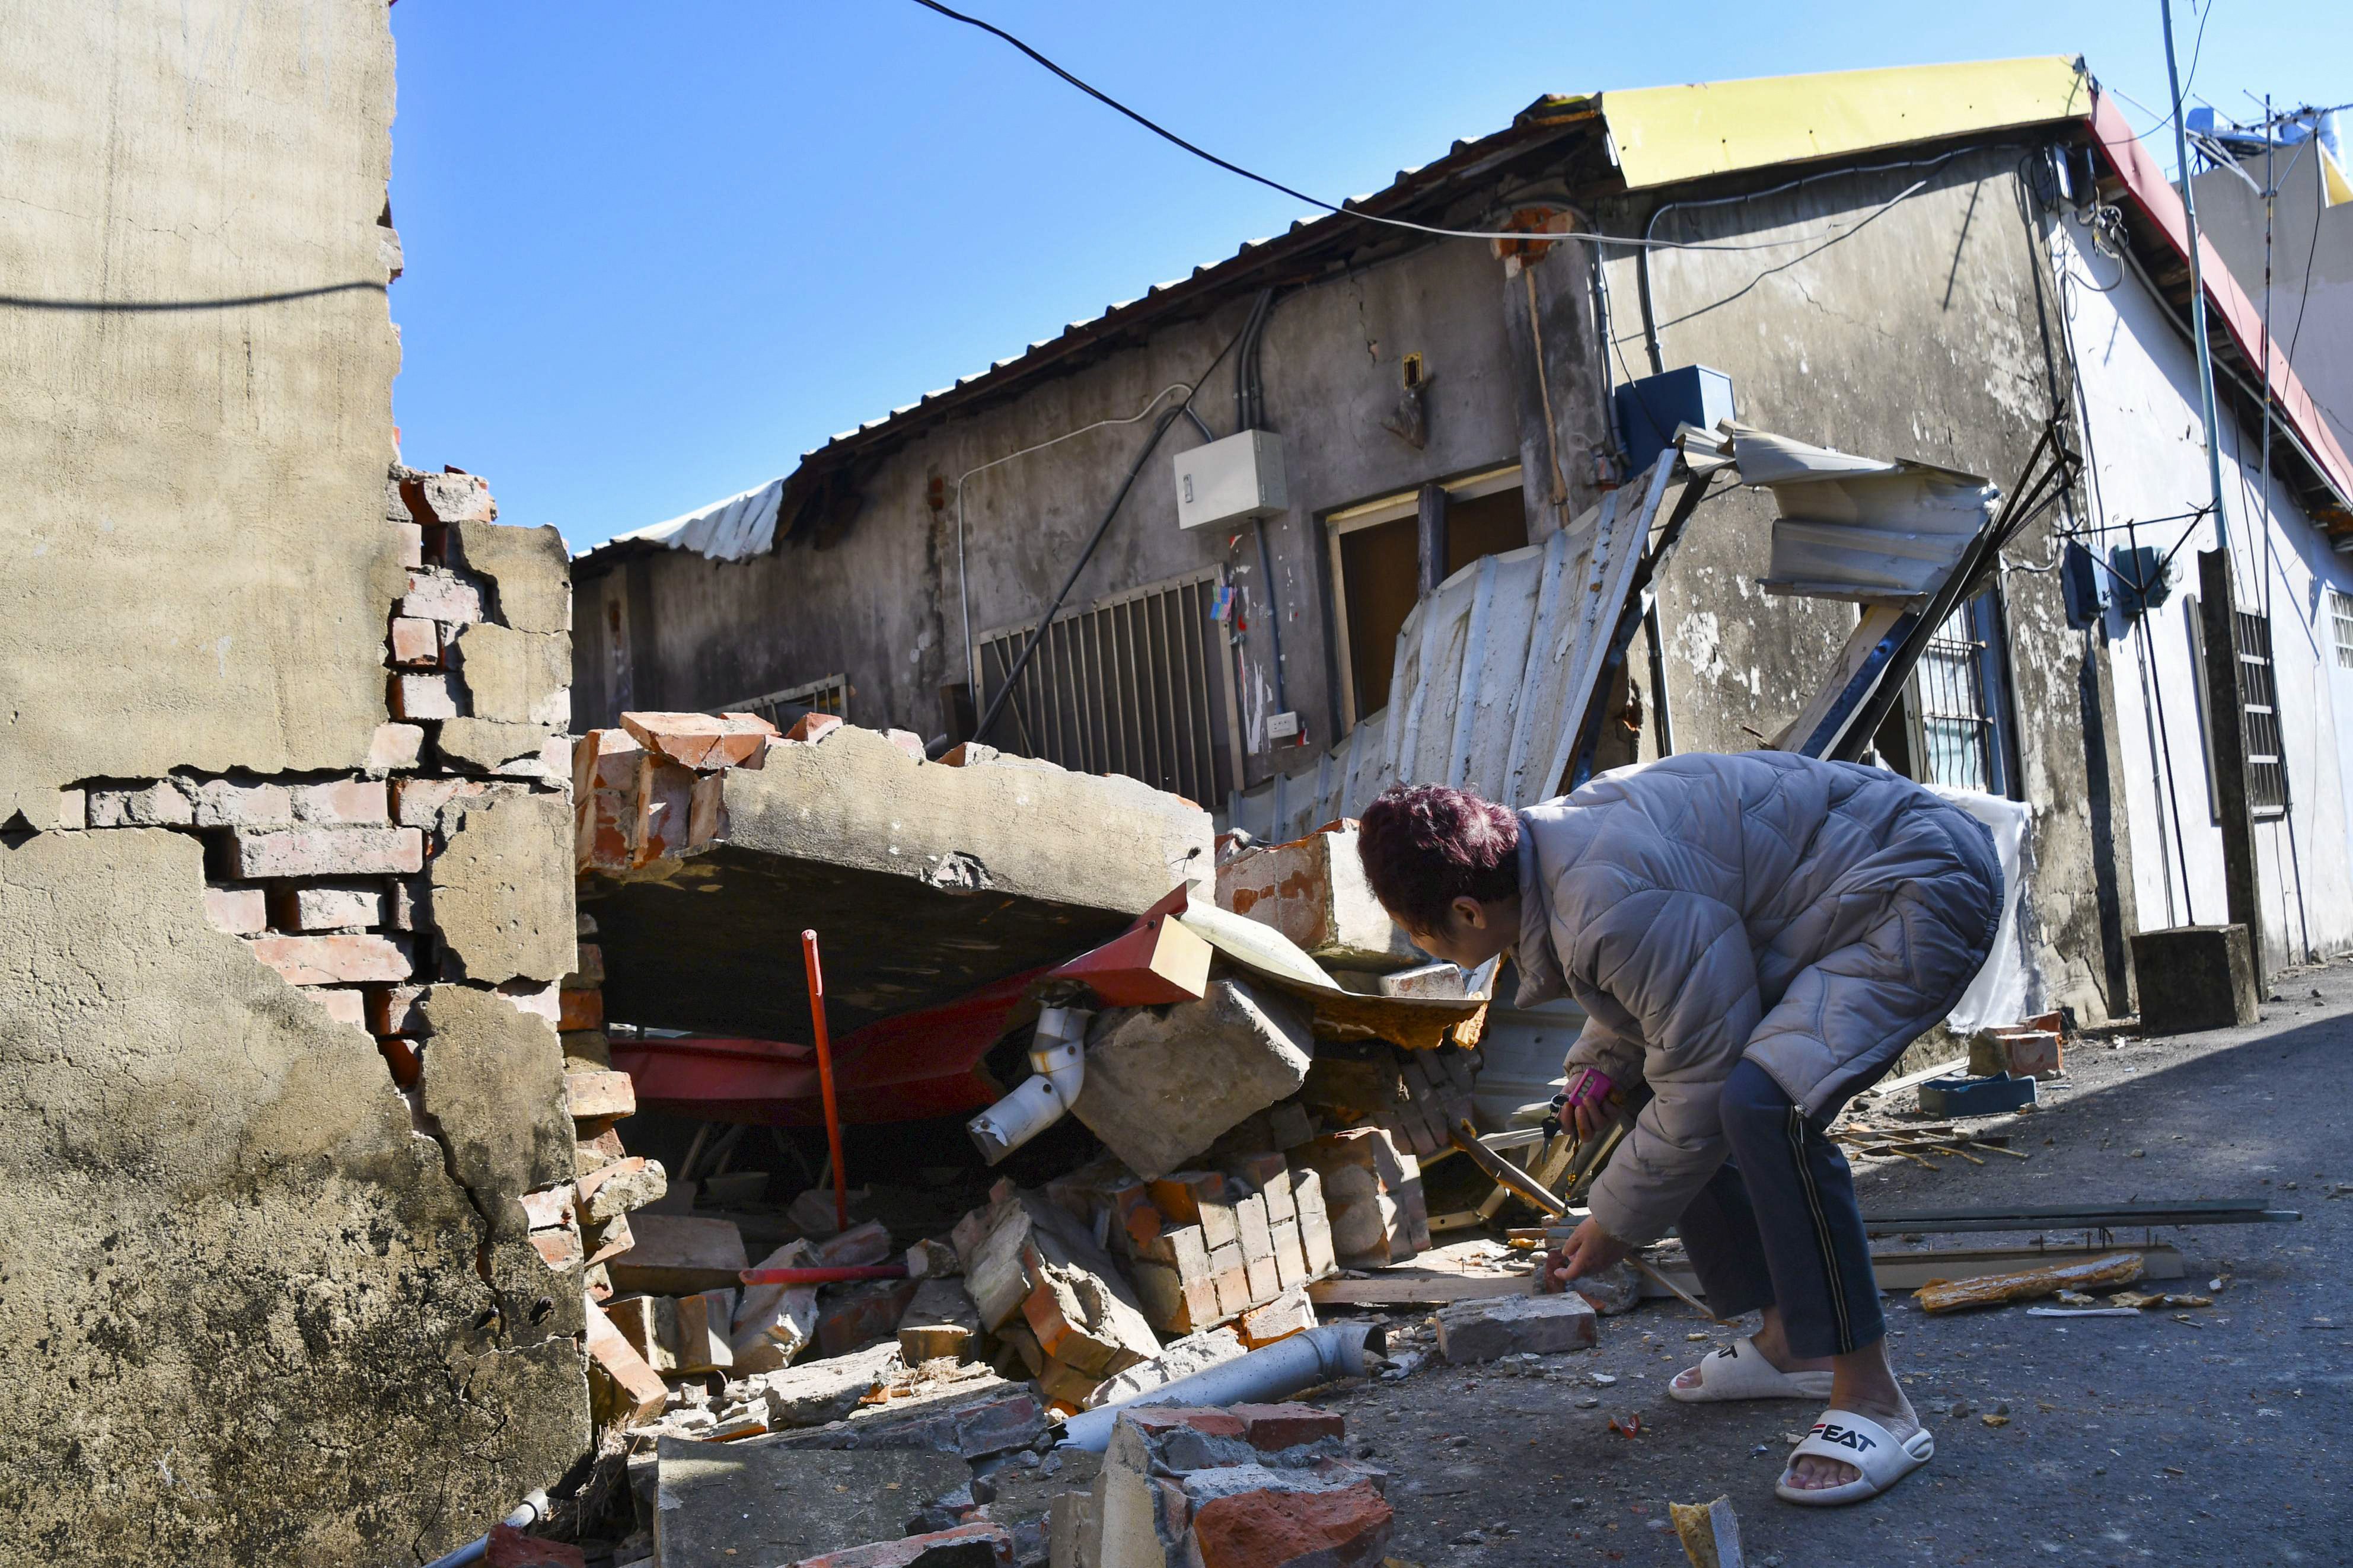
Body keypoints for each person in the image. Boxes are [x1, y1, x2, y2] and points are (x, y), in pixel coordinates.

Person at [1354, 752, 2001, 1506]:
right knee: (1660, 1090)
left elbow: (1700, 1069)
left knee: (1765, 1104)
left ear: (1468, 910)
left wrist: (1614, 1223)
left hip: (1913, 883)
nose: (1420, 950)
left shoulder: (1600, 902)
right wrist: (1601, 1059)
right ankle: (1788, 1340)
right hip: (1835, 894)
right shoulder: (1555, 847)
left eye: (1418, 934)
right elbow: (1679, 975)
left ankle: (1872, 1394)